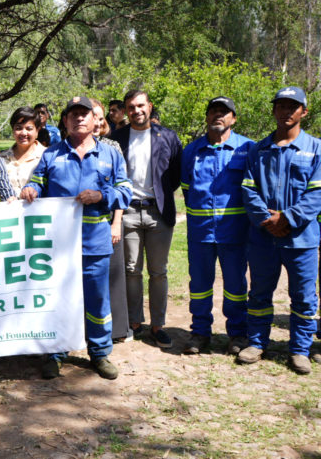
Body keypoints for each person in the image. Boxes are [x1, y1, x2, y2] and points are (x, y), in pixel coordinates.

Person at [21, 96, 132, 380]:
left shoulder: (110, 154)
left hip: (95, 242)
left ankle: (99, 353)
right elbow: (37, 181)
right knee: (58, 298)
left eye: (85, 114)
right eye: (73, 115)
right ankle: (56, 353)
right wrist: (31, 189)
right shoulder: (51, 154)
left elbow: (125, 191)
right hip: (58, 246)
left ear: (96, 120)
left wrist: (102, 196)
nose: (79, 118)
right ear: (66, 121)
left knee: (97, 300)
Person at [238, 87, 321, 374]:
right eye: (281, 106)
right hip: (263, 238)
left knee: (303, 296)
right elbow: (248, 190)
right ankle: (257, 343)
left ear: (304, 112)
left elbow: (317, 193)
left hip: (302, 238)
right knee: (260, 291)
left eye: (293, 106)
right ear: (273, 110)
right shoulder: (258, 150)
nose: (286, 111)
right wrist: (267, 220)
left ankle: (299, 349)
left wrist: (287, 218)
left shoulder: (316, 149)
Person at [181, 97, 252, 355]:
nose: (218, 116)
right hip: (200, 233)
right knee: (199, 286)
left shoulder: (247, 149)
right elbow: (187, 189)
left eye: (224, 112)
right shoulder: (192, 151)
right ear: (207, 117)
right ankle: (200, 333)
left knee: (235, 287)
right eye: (213, 112)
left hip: (234, 232)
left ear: (233, 118)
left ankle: (237, 334)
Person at [112, 90, 182, 348]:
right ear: (126, 110)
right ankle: (134, 322)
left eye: (141, 105)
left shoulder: (169, 137)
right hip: (128, 211)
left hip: (158, 213)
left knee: (159, 272)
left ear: (150, 107)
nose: (136, 111)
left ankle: (158, 325)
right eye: (131, 107)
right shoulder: (116, 138)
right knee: (131, 270)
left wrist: (160, 197)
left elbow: (174, 174)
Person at [91, 99, 130, 342]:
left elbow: (121, 187)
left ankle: (117, 330)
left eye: (98, 116)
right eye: (90, 115)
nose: (95, 120)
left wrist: (117, 222)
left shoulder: (112, 147)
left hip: (108, 221)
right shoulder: (64, 147)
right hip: (80, 227)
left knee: (113, 276)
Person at [0, 107, 46, 196]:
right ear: (13, 130)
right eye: (18, 128)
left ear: (37, 131)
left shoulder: (47, 156)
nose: (23, 133)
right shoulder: (1, 158)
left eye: (29, 128)